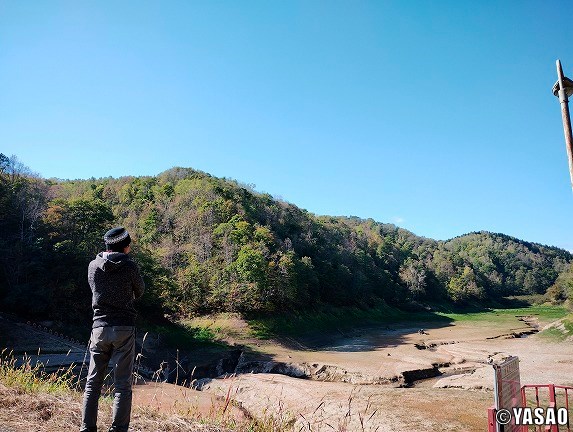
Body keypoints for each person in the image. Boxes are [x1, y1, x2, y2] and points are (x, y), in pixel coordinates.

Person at [80, 227, 145, 432]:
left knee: (93, 383)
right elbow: (140, 291)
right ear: (124, 246)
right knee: (122, 385)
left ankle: (87, 428)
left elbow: (95, 290)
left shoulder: (93, 266)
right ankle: (118, 429)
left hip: (99, 327)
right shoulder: (130, 266)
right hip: (124, 327)